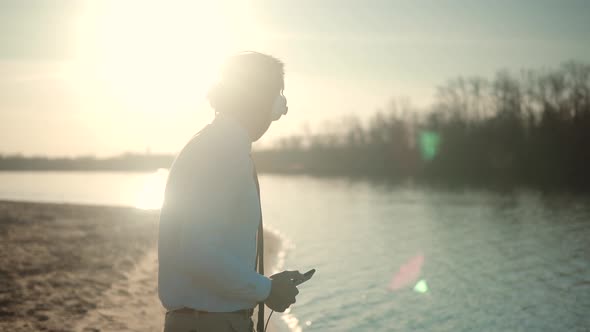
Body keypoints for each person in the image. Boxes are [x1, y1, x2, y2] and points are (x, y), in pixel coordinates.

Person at [158, 52, 304, 332]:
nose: (280, 110)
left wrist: (263, 285)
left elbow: (211, 248)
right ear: (257, 97)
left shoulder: (219, 145)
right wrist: (266, 290)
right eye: (277, 96)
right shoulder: (222, 152)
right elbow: (199, 251)